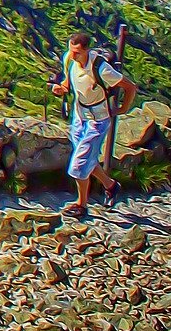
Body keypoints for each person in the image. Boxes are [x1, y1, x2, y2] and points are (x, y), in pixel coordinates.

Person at [50, 31, 136, 217]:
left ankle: (81, 204)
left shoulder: (102, 69)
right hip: (79, 115)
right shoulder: (69, 59)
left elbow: (130, 87)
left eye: (77, 52)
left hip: (98, 119)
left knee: (79, 164)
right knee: (86, 156)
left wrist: (123, 109)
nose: (73, 55)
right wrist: (61, 88)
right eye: (71, 51)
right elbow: (68, 82)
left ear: (87, 50)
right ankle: (111, 186)